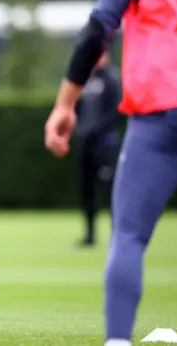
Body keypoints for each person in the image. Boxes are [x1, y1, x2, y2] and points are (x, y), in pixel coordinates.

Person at [44, 0, 177, 344]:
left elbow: (99, 30)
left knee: (130, 235)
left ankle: (117, 340)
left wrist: (65, 104)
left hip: (161, 114)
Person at [73, 51, 122, 247]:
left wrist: (97, 129)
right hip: (86, 143)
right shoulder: (85, 79)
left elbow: (118, 110)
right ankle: (90, 235)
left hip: (105, 143)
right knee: (87, 189)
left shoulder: (112, 79)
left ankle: (118, 235)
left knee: (111, 190)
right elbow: (77, 108)